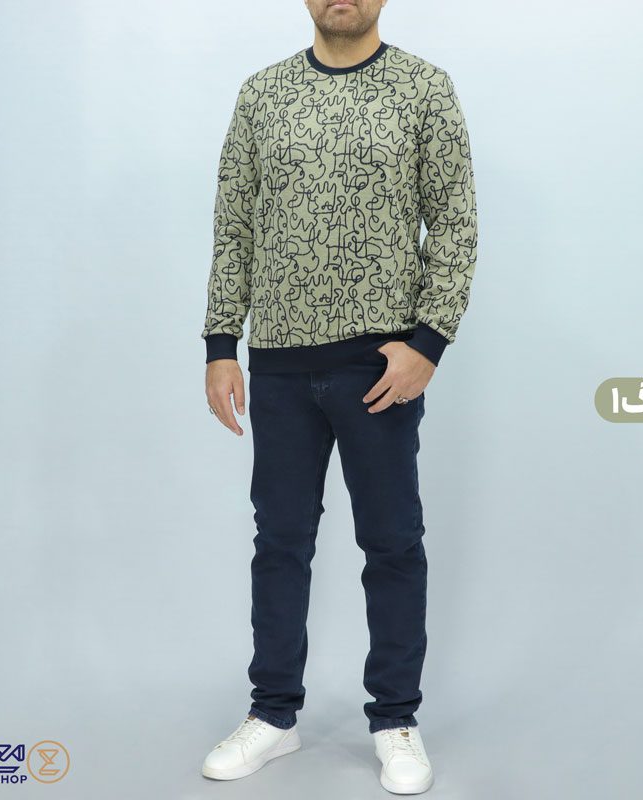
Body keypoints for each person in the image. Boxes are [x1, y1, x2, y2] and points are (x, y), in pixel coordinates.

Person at [200, 0, 477, 793]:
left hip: (378, 368)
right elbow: (234, 224)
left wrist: (428, 343)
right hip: (279, 366)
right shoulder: (263, 93)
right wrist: (221, 345)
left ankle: (395, 720)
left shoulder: (423, 88)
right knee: (280, 542)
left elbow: (454, 222)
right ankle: (273, 715)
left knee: (392, 543)